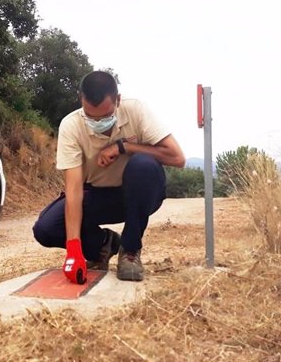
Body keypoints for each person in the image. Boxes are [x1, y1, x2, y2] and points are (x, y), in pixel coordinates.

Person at [32, 71, 185, 283]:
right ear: (81, 100)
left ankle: (130, 251)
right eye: (90, 116)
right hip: (98, 195)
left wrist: (124, 147)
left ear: (118, 100)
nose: (97, 121)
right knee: (46, 228)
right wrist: (74, 249)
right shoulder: (71, 125)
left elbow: (177, 157)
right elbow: (74, 189)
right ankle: (103, 244)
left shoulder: (136, 110)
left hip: (137, 194)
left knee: (143, 165)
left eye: (104, 116)